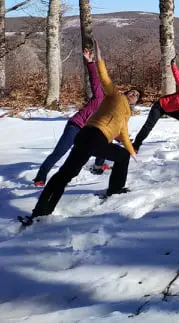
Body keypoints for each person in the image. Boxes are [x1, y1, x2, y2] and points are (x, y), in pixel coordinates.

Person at [20, 41, 141, 226]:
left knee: (122, 156)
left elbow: (123, 134)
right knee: (66, 174)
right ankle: (40, 212)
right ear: (126, 93)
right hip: (92, 135)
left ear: (137, 102)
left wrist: (132, 151)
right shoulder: (115, 96)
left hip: (93, 140)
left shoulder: (126, 114)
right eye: (132, 92)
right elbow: (104, 78)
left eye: (137, 95)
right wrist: (97, 59)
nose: (133, 95)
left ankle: (115, 189)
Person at [33, 48, 104, 187]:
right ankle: (40, 177)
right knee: (60, 152)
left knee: (104, 144)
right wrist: (90, 62)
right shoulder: (100, 97)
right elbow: (94, 80)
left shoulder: (113, 113)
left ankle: (98, 167)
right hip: (76, 126)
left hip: (89, 132)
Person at [132, 57, 179, 151]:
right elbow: (178, 78)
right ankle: (135, 146)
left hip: (171, 110)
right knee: (148, 126)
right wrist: (173, 65)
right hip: (160, 106)